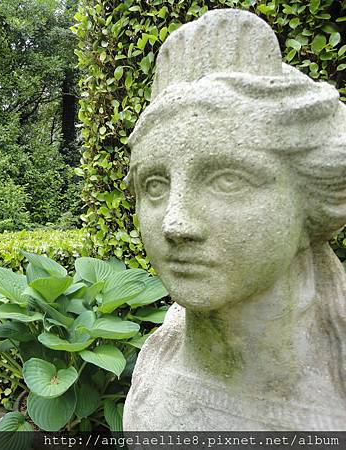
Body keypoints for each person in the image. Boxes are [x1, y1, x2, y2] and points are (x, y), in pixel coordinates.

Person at [123, 9, 346, 431]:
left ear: (311, 200)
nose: (175, 222)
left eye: (228, 179)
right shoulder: (156, 370)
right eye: (155, 185)